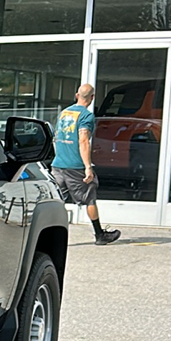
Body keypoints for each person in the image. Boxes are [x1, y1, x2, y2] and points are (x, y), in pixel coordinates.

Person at [50, 84, 121, 245]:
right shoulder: (86, 116)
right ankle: (99, 235)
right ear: (92, 98)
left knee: (56, 200)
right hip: (75, 166)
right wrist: (88, 166)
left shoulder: (64, 113)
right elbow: (83, 140)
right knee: (90, 198)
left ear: (76, 95)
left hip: (58, 164)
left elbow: (56, 136)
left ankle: (48, 235)